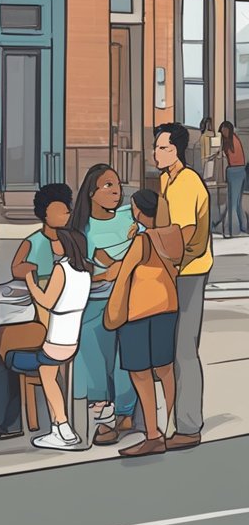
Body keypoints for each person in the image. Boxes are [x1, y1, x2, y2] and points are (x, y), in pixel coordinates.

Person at [103, 189, 182, 458]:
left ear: (138, 211)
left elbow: (123, 275)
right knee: (165, 369)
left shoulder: (142, 240)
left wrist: (113, 310)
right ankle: (173, 426)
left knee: (140, 373)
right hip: (167, 307)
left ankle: (152, 435)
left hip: (139, 312)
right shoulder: (173, 235)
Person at [0, 183, 72, 440]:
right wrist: (29, 271)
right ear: (44, 213)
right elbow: (17, 268)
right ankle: (11, 423)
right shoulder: (34, 241)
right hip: (48, 315)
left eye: (66, 211)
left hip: (49, 318)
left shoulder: (73, 242)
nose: (65, 215)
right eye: (60, 210)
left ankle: (8, 423)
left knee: (1, 347)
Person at [68, 164, 137, 445]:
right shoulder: (80, 229)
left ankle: (124, 412)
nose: (116, 190)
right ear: (91, 192)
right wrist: (109, 270)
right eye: (108, 185)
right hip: (95, 299)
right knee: (93, 354)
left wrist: (116, 268)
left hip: (129, 298)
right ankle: (101, 409)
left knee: (125, 358)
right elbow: (81, 269)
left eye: (117, 184)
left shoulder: (129, 217)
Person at [155, 122, 213, 451]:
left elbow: (186, 235)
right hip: (173, 271)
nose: (156, 153)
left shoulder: (188, 183)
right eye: (157, 147)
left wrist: (166, 260)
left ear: (176, 150)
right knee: (171, 347)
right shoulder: (166, 179)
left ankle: (189, 425)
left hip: (188, 272)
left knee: (184, 349)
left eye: (162, 148)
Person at [6, 228, 93, 451]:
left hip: (56, 339)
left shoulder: (61, 269)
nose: (54, 244)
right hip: (72, 338)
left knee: (41, 373)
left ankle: (63, 427)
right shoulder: (86, 271)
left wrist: (30, 281)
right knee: (49, 376)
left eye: (58, 242)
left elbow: (46, 300)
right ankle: (58, 429)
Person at [211, 121, 247, 238]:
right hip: (242, 171)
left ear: (227, 129)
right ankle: (242, 227)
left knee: (232, 204)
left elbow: (224, 156)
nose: (222, 134)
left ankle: (232, 231)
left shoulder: (229, 141)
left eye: (223, 131)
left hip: (233, 171)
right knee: (237, 203)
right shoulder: (235, 139)